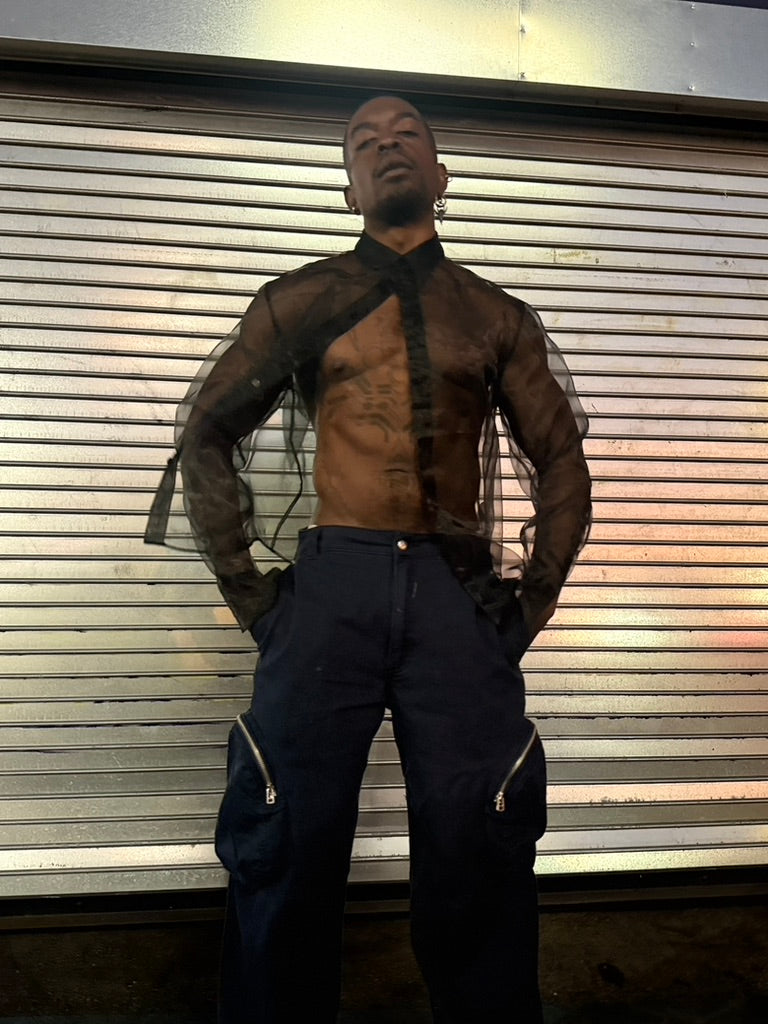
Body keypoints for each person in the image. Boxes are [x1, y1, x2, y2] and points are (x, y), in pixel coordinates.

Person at [146, 95, 591, 1024]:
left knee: (480, 839)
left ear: (441, 175)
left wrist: (531, 603)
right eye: (365, 141)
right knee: (284, 839)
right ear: (349, 187)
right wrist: (254, 598)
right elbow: (208, 431)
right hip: (331, 590)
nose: (387, 148)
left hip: (457, 596)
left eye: (407, 136)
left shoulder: (493, 315)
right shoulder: (299, 301)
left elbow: (560, 456)